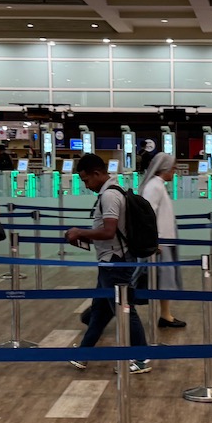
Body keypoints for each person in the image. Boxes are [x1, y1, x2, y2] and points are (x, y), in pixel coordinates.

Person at [64, 153, 149, 372]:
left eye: (86, 180)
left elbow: (109, 231)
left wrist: (79, 232)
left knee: (125, 311)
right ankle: (84, 353)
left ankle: (141, 358)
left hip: (115, 263)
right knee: (100, 311)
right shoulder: (112, 192)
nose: (86, 185)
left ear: (97, 173)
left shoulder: (109, 196)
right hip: (109, 261)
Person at [141, 152, 184, 329]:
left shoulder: (159, 185)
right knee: (159, 280)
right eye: (173, 168)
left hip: (164, 239)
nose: (174, 171)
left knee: (164, 280)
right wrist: (153, 240)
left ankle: (166, 315)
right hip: (160, 242)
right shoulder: (154, 187)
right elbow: (146, 214)